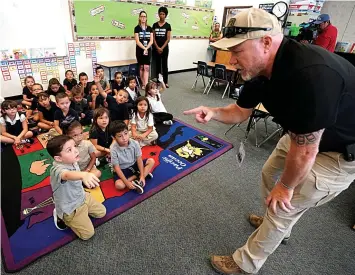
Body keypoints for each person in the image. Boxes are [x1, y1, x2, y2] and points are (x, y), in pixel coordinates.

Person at [184, 8, 355, 275]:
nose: (232, 59)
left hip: (339, 153)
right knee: (268, 172)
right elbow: (241, 111)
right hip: (302, 136)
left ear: (265, 42)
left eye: (237, 51)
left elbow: (307, 150)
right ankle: (275, 223)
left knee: (284, 206)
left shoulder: (310, 73)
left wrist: (285, 187)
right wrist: (214, 111)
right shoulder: (261, 71)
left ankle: (245, 264)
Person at [47, 135, 106, 239]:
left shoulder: (71, 160)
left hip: (82, 196)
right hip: (71, 207)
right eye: (69, 150)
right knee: (87, 235)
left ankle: (82, 214)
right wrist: (83, 175)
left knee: (102, 212)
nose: (75, 151)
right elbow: (66, 175)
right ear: (58, 158)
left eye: (74, 146)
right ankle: (61, 216)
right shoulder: (57, 169)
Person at [110, 120, 155, 194]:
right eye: (120, 136)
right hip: (123, 169)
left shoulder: (134, 143)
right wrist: (126, 183)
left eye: (125, 134)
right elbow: (117, 168)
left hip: (134, 165)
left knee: (151, 161)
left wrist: (142, 177)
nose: (124, 138)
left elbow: (139, 159)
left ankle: (140, 175)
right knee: (119, 185)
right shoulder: (113, 148)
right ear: (114, 137)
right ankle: (138, 175)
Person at [134, 11, 154, 90]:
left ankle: (146, 84)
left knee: (146, 67)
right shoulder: (137, 28)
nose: (143, 18)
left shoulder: (150, 28)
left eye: (144, 16)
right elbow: (137, 41)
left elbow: (151, 40)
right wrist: (144, 48)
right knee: (141, 67)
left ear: (146, 18)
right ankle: (143, 83)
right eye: (142, 16)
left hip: (148, 50)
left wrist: (146, 48)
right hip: (139, 50)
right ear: (139, 17)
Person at [152, 7, 171, 87]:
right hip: (156, 48)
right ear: (158, 15)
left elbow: (168, 39)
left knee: (164, 65)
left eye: (163, 14)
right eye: (160, 14)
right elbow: (153, 38)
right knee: (157, 65)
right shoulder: (155, 25)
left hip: (164, 49)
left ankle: (165, 81)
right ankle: (159, 81)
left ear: (165, 15)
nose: (161, 15)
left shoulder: (168, 26)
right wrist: (157, 47)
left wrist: (162, 48)